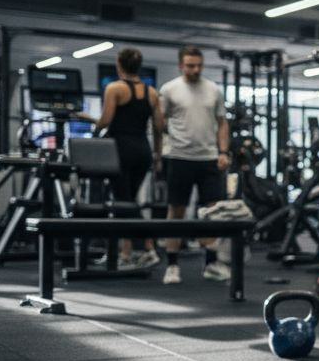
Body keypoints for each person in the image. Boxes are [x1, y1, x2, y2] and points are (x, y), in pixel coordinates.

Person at [75, 46, 163, 267]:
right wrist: (158, 154)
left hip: (120, 151)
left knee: (124, 204)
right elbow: (159, 127)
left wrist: (89, 121)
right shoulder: (151, 92)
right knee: (128, 202)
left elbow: (105, 121)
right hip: (142, 151)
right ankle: (126, 254)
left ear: (119, 65)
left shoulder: (114, 88)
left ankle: (148, 248)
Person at [158, 45, 230, 285]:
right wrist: (161, 151)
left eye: (198, 65)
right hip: (179, 158)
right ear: (181, 65)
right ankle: (172, 266)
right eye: (190, 65)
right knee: (175, 211)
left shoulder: (213, 90)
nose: (195, 69)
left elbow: (222, 123)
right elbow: (159, 123)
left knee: (211, 212)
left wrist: (223, 151)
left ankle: (210, 263)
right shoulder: (169, 89)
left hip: (208, 158)